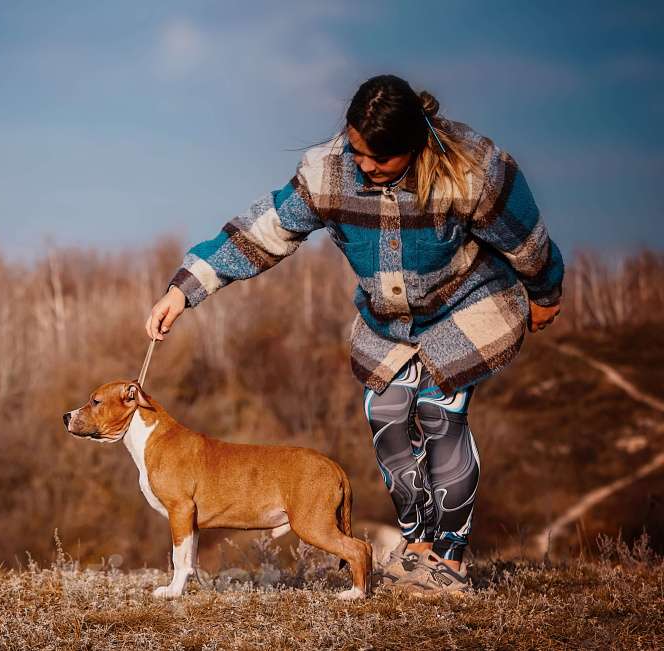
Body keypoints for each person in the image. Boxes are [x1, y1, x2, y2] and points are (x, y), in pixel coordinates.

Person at [144, 74, 563, 595]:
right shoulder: (329, 172)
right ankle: (417, 546)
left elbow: (527, 239)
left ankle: (449, 558)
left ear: (414, 145)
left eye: (379, 160)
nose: (364, 165)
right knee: (385, 413)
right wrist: (185, 289)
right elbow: (265, 230)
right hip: (390, 319)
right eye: (358, 151)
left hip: (470, 304)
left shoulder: (472, 170)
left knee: (437, 410)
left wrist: (545, 295)